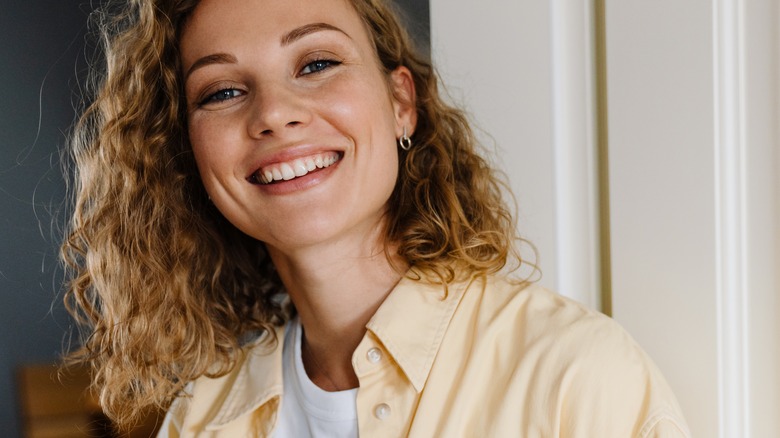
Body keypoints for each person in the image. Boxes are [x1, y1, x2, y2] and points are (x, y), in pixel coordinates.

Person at [62, 0, 691, 436]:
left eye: (316, 64)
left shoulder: (574, 377)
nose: (274, 114)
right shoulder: (199, 420)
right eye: (222, 91)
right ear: (190, 155)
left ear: (400, 104)